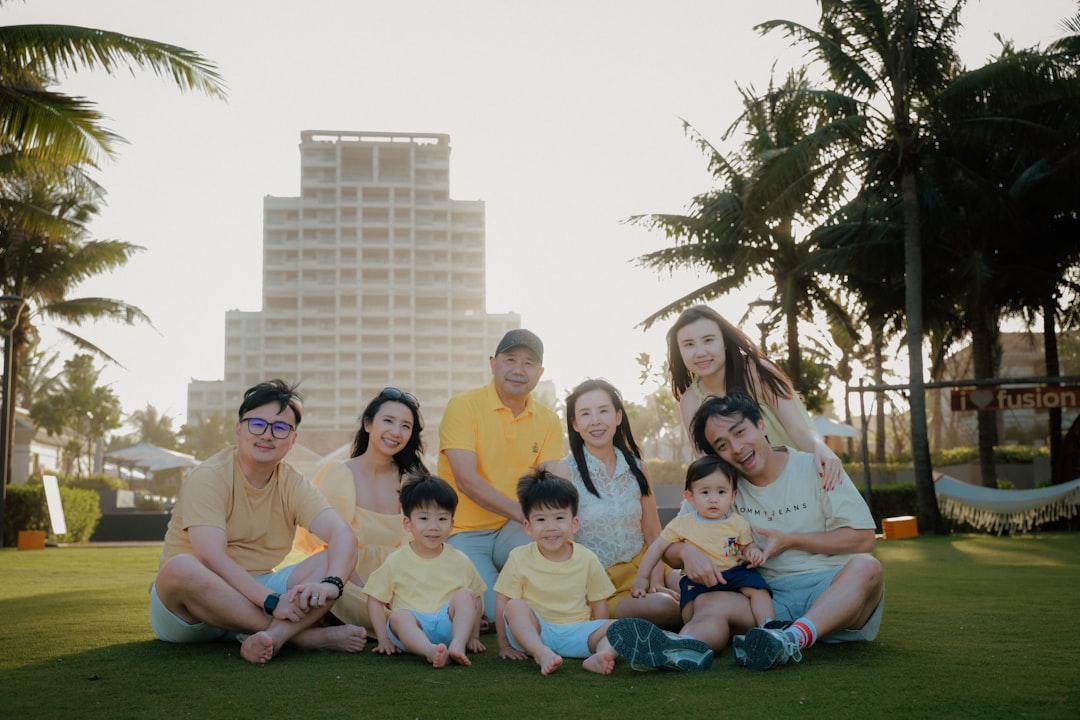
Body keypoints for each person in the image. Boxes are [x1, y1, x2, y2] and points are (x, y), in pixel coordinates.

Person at [150, 379, 363, 664]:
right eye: (257, 424)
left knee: (332, 559)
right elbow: (210, 556)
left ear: (292, 440)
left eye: (280, 428)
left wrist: (332, 584)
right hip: (193, 608)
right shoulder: (210, 475)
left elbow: (342, 535)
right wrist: (272, 602)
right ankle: (303, 638)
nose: (267, 435)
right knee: (181, 566)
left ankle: (272, 638)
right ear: (239, 429)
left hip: (259, 590)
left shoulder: (292, 482)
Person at [667, 392, 883, 671]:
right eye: (722, 445)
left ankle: (789, 638)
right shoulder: (718, 489)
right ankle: (676, 650)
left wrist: (790, 540)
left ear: (761, 425)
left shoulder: (816, 466)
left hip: (833, 594)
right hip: (766, 603)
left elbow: (864, 538)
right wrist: (686, 551)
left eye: (740, 432)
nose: (737, 447)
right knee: (709, 602)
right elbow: (669, 546)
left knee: (867, 568)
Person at [494, 470, 712, 675]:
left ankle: (601, 656)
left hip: (577, 632)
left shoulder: (586, 558)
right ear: (528, 527)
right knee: (514, 607)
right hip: (533, 632)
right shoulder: (519, 557)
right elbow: (502, 600)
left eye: (559, 518)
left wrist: (596, 629)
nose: (551, 527)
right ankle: (541, 654)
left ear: (574, 524)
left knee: (616, 627)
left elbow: (599, 604)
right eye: (541, 520)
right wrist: (504, 644)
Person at [439, 328, 564, 622]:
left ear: (540, 371)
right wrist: (525, 515)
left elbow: (547, 485)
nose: (519, 370)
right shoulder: (463, 406)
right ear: (493, 364)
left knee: (550, 585)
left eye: (529, 363)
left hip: (514, 527)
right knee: (502, 612)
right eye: (510, 360)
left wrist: (540, 522)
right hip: (463, 531)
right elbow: (465, 480)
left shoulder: (549, 419)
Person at [543, 378, 681, 628]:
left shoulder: (638, 467)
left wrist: (656, 580)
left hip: (646, 566)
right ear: (575, 424)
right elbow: (563, 542)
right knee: (666, 607)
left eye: (603, 411)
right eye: (585, 414)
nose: (595, 421)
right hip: (603, 584)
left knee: (699, 589)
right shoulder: (565, 471)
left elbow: (653, 532)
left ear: (618, 416)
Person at [667, 305, 842, 488]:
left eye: (708, 340)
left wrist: (819, 447)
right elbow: (708, 464)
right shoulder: (690, 401)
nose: (700, 352)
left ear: (724, 341)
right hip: (749, 500)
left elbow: (800, 431)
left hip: (803, 482)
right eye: (688, 345)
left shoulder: (758, 371)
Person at [294, 387, 425, 631]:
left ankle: (407, 622)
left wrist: (396, 593)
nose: (396, 432)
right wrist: (370, 595)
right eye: (388, 421)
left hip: (402, 587)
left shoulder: (412, 481)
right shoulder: (339, 474)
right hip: (349, 584)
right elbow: (330, 546)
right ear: (368, 424)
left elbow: (421, 547)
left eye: (406, 426)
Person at [631, 455, 773, 627]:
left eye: (721, 492)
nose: (713, 499)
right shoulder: (683, 523)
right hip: (697, 579)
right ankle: (692, 633)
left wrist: (752, 551)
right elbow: (657, 548)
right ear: (690, 496)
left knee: (759, 589)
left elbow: (746, 545)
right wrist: (642, 577)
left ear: (733, 496)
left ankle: (769, 628)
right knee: (690, 608)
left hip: (735, 573)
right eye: (705, 492)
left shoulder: (737, 522)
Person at [364, 474, 487, 668]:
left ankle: (458, 645)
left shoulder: (460, 560)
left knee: (467, 594)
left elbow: (477, 598)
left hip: (449, 626)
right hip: (411, 630)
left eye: (442, 518)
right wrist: (383, 639)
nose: (433, 527)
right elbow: (374, 599)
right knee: (398, 616)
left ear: (452, 524)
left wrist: (473, 636)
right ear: (407, 523)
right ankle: (430, 651)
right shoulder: (396, 561)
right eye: (423, 518)